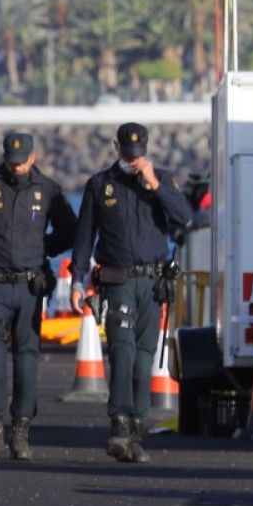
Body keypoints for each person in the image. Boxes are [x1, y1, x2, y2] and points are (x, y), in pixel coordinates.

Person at [70, 122, 195, 464]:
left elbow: (185, 217)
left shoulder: (163, 179)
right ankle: (119, 424)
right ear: (117, 148)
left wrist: (155, 186)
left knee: (144, 358)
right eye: (128, 154)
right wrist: (78, 281)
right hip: (118, 281)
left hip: (153, 284)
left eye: (138, 156)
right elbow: (84, 236)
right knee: (121, 353)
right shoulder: (100, 185)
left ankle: (136, 429)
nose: (133, 161)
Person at [0, 132, 77, 461]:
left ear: (32, 158)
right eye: (11, 161)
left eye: (21, 162)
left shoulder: (47, 190)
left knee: (27, 358)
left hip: (30, 286)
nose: (15, 167)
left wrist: (43, 250)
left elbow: (69, 230)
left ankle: (21, 432)